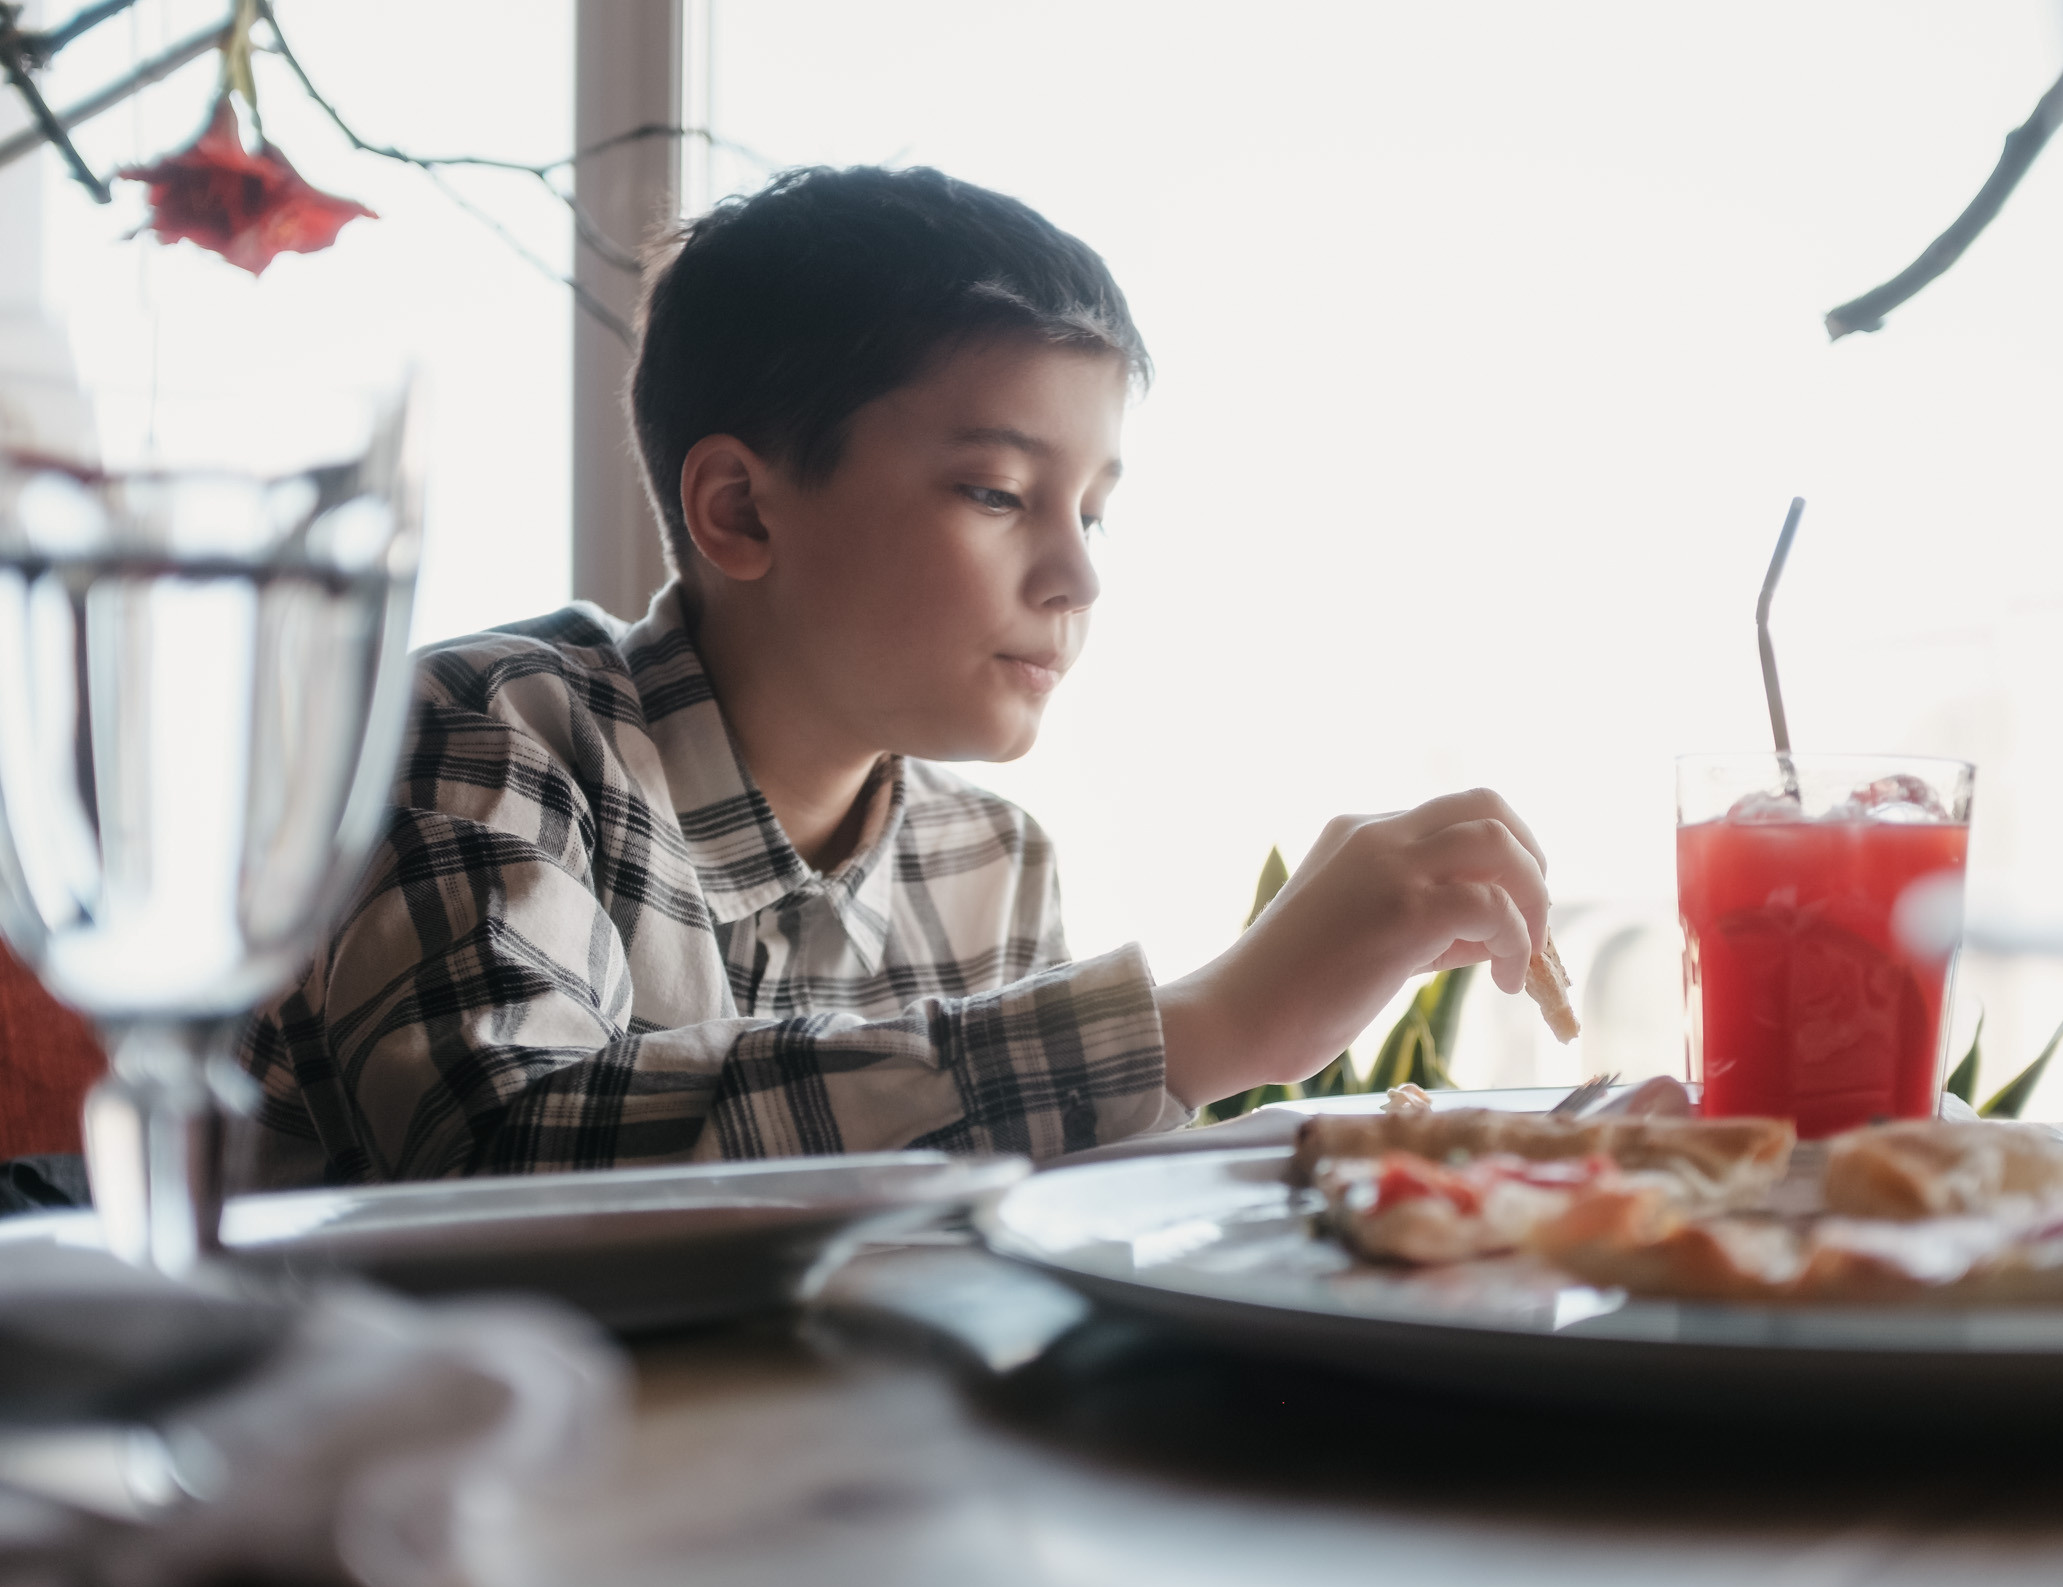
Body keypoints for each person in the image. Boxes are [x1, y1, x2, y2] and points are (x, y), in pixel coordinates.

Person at [231, 165, 1552, 1187]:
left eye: (1092, 511)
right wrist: (1200, 1025)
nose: (1078, 582)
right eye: (997, 492)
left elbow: (1017, 1234)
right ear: (741, 510)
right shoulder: (489, 735)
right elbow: (500, 1157)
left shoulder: (992, 859)